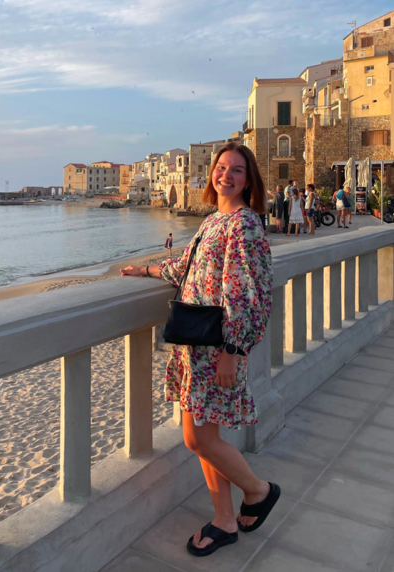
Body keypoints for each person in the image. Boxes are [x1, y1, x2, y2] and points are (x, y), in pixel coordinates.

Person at [120, 142, 279, 558]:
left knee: (197, 439)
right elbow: (187, 267)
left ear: (249, 180)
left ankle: (259, 491)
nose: (226, 175)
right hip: (196, 346)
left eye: (237, 170)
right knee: (207, 436)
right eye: (221, 167)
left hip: (216, 347)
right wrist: (145, 270)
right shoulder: (213, 221)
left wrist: (233, 350)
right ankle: (225, 519)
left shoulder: (244, 224)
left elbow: (250, 293)